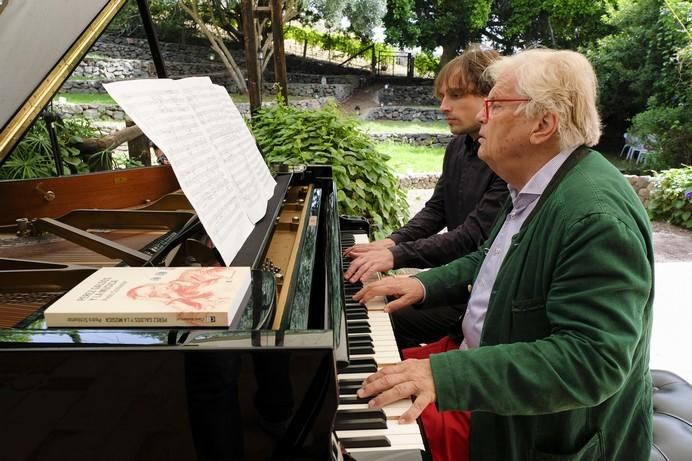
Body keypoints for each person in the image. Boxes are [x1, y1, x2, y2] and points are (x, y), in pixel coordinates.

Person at [353, 48, 654, 461]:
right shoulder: (537, 184)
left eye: (493, 104)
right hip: (476, 361)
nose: (482, 116)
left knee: (364, 416)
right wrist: (422, 283)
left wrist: (444, 375)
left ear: (542, 124)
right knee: (362, 380)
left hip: (527, 428)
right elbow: (492, 257)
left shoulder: (594, 217)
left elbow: (592, 361)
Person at [344, 46, 508, 348]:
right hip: (455, 279)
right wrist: (392, 242)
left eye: (457, 96)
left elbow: (472, 237)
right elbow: (436, 210)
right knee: (371, 304)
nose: (444, 106)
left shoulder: (505, 158)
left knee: (379, 315)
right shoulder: (458, 147)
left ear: (492, 97)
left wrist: (397, 256)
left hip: (477, 293)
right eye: (443, 96)